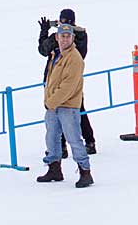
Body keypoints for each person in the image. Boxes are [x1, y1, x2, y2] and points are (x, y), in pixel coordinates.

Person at [36, 22, 93, 188]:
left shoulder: (75, 58)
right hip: (53, 106)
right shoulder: (57, 55)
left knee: (74, 139)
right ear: (57, 37)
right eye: (62, 36)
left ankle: (85, 171)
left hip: (67, 106)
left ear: (73, 38)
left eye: (68, 36)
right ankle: (54, 168)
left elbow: (68, 86)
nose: (65, 39)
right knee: (51, 138)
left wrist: (50, 102)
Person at [38, 8, 96, 156]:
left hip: (71, 82)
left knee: (76, 112)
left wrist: (76, 31)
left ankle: (87, 143)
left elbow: (81, 51)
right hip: (53, 79)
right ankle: (62, 146)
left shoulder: (79, 36)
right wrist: (44, 32)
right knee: (59, 116)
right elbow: (43, 50)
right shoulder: (57, 37)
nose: (64, 38)